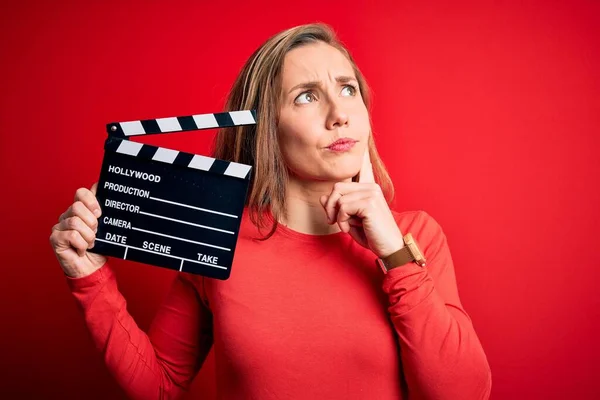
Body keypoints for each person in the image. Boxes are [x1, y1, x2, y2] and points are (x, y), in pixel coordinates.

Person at [50, 23, 491, 399]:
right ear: (264, 125)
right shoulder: (217, 238)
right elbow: (161, 386)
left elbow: (463, 392)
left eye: (347, 88)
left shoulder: (416, 237)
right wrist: (90, 279)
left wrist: (395, 255)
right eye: (306, 97)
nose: (339, 114)